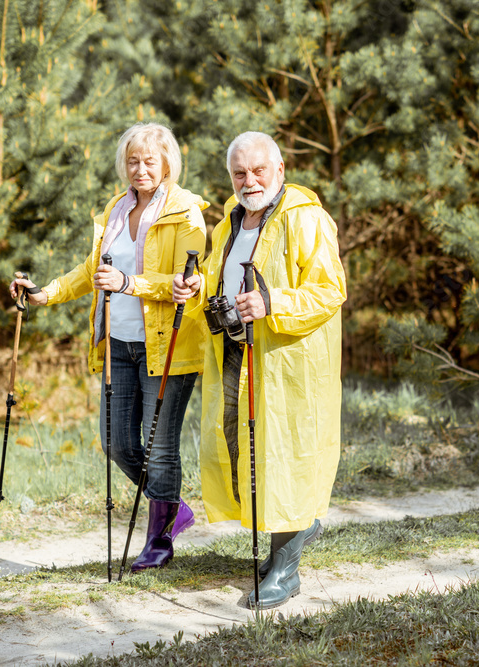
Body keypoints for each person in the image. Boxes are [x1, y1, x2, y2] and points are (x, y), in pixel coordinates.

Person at [11, 122, 208, 571]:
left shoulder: (185, 213)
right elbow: (90, 272)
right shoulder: (116, 209)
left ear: (167, 163)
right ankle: (172, 506)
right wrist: (46, 294)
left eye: (149, 161)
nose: (140, 170)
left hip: (167, 346)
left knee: (159, 447)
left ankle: (159, 539)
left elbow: (188, 281)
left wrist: (129, 283)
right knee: (116, 443)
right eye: (132, 161)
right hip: (117, 344)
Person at [173, 131, 347, 609]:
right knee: (248, 454)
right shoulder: (229, 223)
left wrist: (272, 303)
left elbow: (330, 290)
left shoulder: (305, 217)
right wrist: (193, 290)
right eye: (239, 173)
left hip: (287, 364)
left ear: (280, 169)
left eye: (258, 171)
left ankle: (286, 570)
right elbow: (219, 278)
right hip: (236, 355)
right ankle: (292, 536)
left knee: (285, 456)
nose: (249, 181)